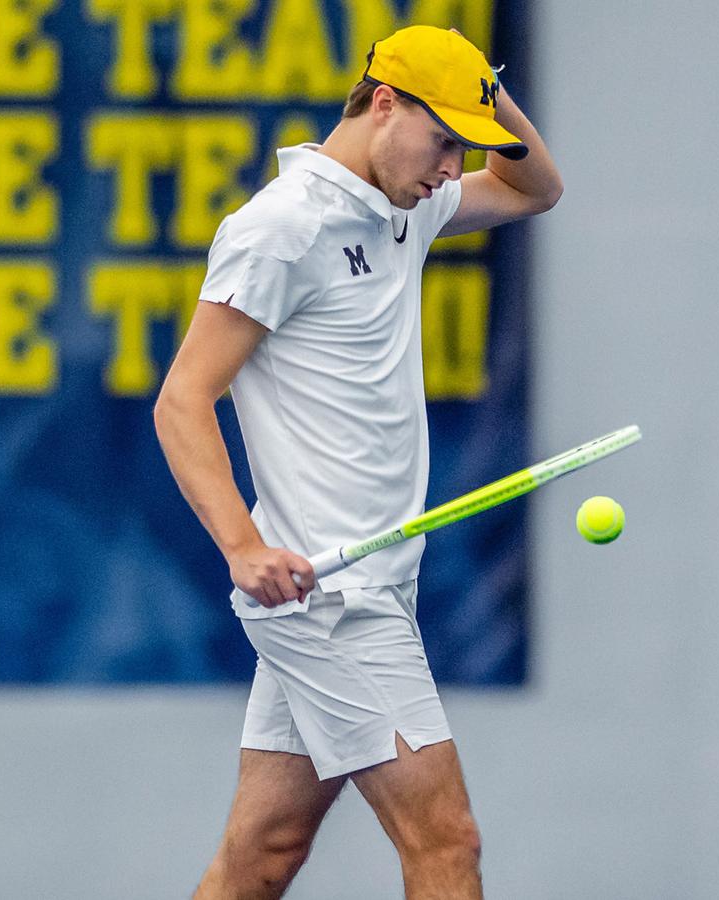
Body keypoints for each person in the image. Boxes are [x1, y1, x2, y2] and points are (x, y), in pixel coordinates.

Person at [154, 24, 562, 900]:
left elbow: (537, 188)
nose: (453, 168)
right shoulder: (282, 228)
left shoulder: (404, 205)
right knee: (447, 841)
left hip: (352, 589)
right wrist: (241, 547)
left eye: (464, 147)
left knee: (260, 856)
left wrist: (479, 90)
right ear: (383, 105)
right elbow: (181, 402)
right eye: (444, 141)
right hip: (336, 600)